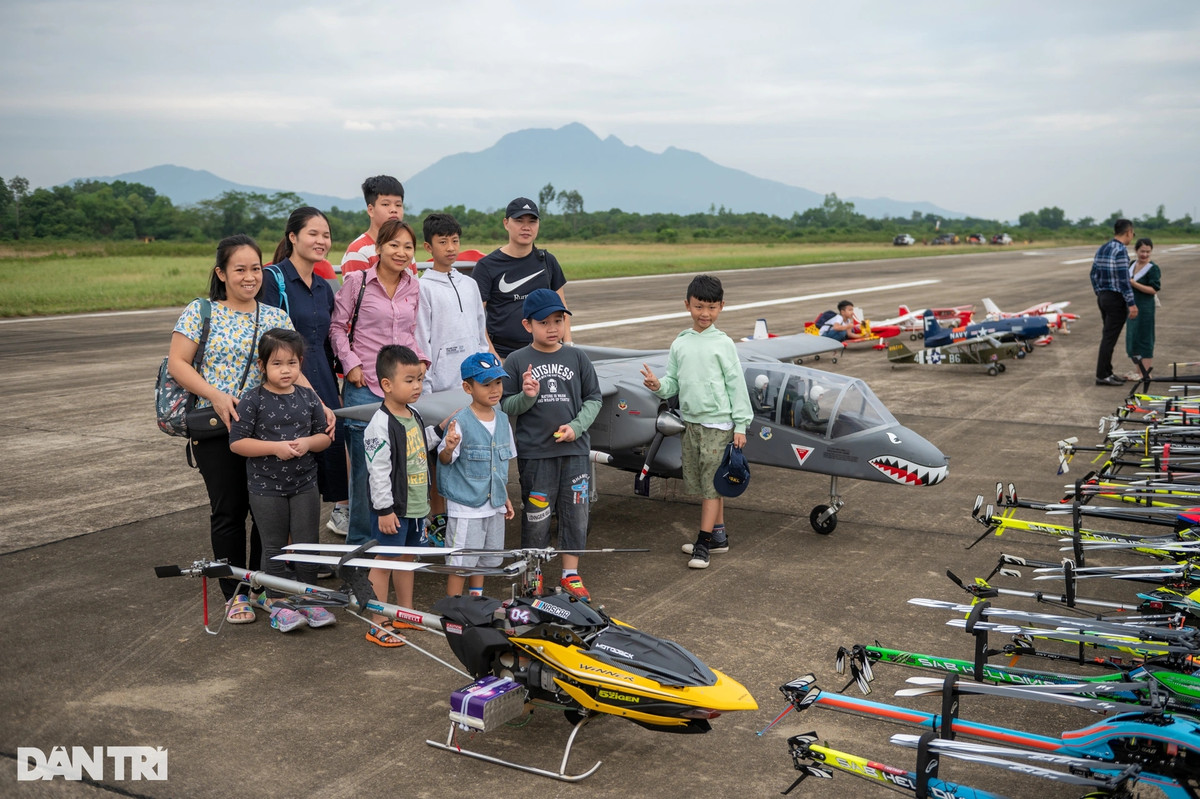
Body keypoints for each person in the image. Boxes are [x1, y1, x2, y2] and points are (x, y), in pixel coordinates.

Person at [167, 235, 294, 623]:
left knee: (266, 511)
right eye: (239, 269)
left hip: (267, 430)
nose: (249, 276)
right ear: (222, 273)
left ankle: (259, 586)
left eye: (255, 268)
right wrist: (217, 396)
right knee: (229, 511)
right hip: (216, 428)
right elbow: (178, 364)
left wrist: (319, 404)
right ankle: (233, 591)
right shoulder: (200, 312)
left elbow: (292, 370)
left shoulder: (275, 316)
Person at [640, 275, 753, 570]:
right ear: (687, 305)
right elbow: (674, 382)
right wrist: (657, 385)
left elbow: (736, 385)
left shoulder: (724, 343)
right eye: (699, 306)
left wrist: (740, 425)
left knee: (711, 488)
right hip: (690, 423)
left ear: (722, 307)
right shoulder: (681, 342)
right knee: (706, 484)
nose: (705, 313)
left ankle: (703, 543)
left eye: (712, 307)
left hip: (718, 425)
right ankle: (719, 537)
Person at [329, 219, 428, 549]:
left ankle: (391, 544)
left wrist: (421, 362)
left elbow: (409, 333)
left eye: (408, 247)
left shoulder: (413, 285)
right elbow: (337, 328)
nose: (401, 252)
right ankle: (359, 549)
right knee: (364, 474)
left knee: (399, 466)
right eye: (394, 245)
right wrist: (351, 364)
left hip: (399, 390)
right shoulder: (357, 282)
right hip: (365, 386)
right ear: (379, 248)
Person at [228, 329, 335, 632]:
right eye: (277, 364)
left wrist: (309, 443)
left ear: (300, 363)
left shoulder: (308, 397)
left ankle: (309, 599)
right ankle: (275, 602)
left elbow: (324, 437)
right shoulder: (253, 400)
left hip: (305, 484)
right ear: (262, 366)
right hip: (266, 488)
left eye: (291, 363)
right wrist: (275, 448)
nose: (285, 370)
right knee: (273, 546)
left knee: (307, 544)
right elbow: (237, 443)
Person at [501, 289, 601, 601]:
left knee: (575, 513)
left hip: (574, 452)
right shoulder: (517, 361)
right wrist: (527, 396)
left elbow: (594, 398)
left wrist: (576, 427)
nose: (553, 327)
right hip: (537, 454)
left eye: (558, 320)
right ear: (527, 324)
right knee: (537, 516)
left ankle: (571, 574)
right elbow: (506, 405)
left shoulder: (576, 356)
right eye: (544, 322)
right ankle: (534, 573)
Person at [263, 207, 349, 537]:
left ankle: (308, 552)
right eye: (313, 233)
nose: (321, 240)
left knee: (322, 464)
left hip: (323, 386)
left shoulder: (324, 287)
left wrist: (337, 389)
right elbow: (268, 340)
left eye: (325, 235)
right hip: (286, 389)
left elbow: (327, 344)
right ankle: (288, 559)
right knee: (290, 471)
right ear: (293, 237)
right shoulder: (273, 279)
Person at [415, 212, 491, 540]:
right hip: (440, 386)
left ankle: (470, 512)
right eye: (442, 242)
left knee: (470, 450)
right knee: (439, 455)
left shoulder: (470, 284)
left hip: (471, 385)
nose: (450, 248)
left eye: (455, 241)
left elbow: (479, 332)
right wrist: (427, 388)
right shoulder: (423, 287)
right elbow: (422, 338)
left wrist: (486, 376)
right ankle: (438, 516)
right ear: (428, 246)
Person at [361, 345, 440, 646]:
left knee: (407, 559)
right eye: (409, 380)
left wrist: (440, 432)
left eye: (419, 379)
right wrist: (383, 510)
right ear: (386, 384)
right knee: (384, 561)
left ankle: (405, 614)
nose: (417, 386)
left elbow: (418, 447)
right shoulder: (379, 425)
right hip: (393, 509)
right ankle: (378, 622)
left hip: (417, 505)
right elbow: (378, 472)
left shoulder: (413, 414)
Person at [437, 352, 515, 597]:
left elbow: (500, 467)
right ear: (467, 387)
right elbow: (444, 459)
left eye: (498, 383)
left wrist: (506, 497)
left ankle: (476, 599)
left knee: (485, 558)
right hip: (467, 507)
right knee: (460, 563)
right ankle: (454, 606)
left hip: (494, 504)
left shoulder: (502, 420)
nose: (494, 390)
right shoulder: (460, 422)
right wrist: (448, 448)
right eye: (486, 384)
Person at [471, 198, 571, 357]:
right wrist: (492, 354)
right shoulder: (486, 266)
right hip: (504, 355)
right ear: (506, 223)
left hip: (547, 353)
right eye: (519, 221)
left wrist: (568, 346)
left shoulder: (547, 261)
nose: (526, 227)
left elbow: (562, 308)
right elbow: (476, 316)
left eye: (532, 221)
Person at [1089, 218, 1138, 386]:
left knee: (1107, 336)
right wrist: (1131, 303)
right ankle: (1102, 375)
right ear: (1128, 232)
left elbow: (1093, 273)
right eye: (1132, 233)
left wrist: (1099, 291)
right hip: (1116, 299)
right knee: (1109, 338)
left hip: (1103, 297)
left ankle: (1107, 371)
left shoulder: (1103, 248)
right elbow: (1124, 280)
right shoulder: (1121, 251)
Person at [338, 175, 413, 277]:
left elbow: (413, 290)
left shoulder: (404, 250)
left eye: (398, 205)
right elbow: (357, 292)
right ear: (371, 210)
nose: (393, 210)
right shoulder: (359, 252)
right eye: (386, 204)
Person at [1124, 237, 1161, 381]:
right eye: (1142, 251)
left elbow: (1154, 289)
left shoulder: (1153, 268)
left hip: (1145, 308)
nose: (1144, 255)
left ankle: (1145, 373)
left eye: (1148, 252)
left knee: (1145, 337)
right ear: (1136, 251)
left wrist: (1134, 284)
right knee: (1134, 338)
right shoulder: (1132, 264)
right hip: (1132, 306)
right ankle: (1138, 371)